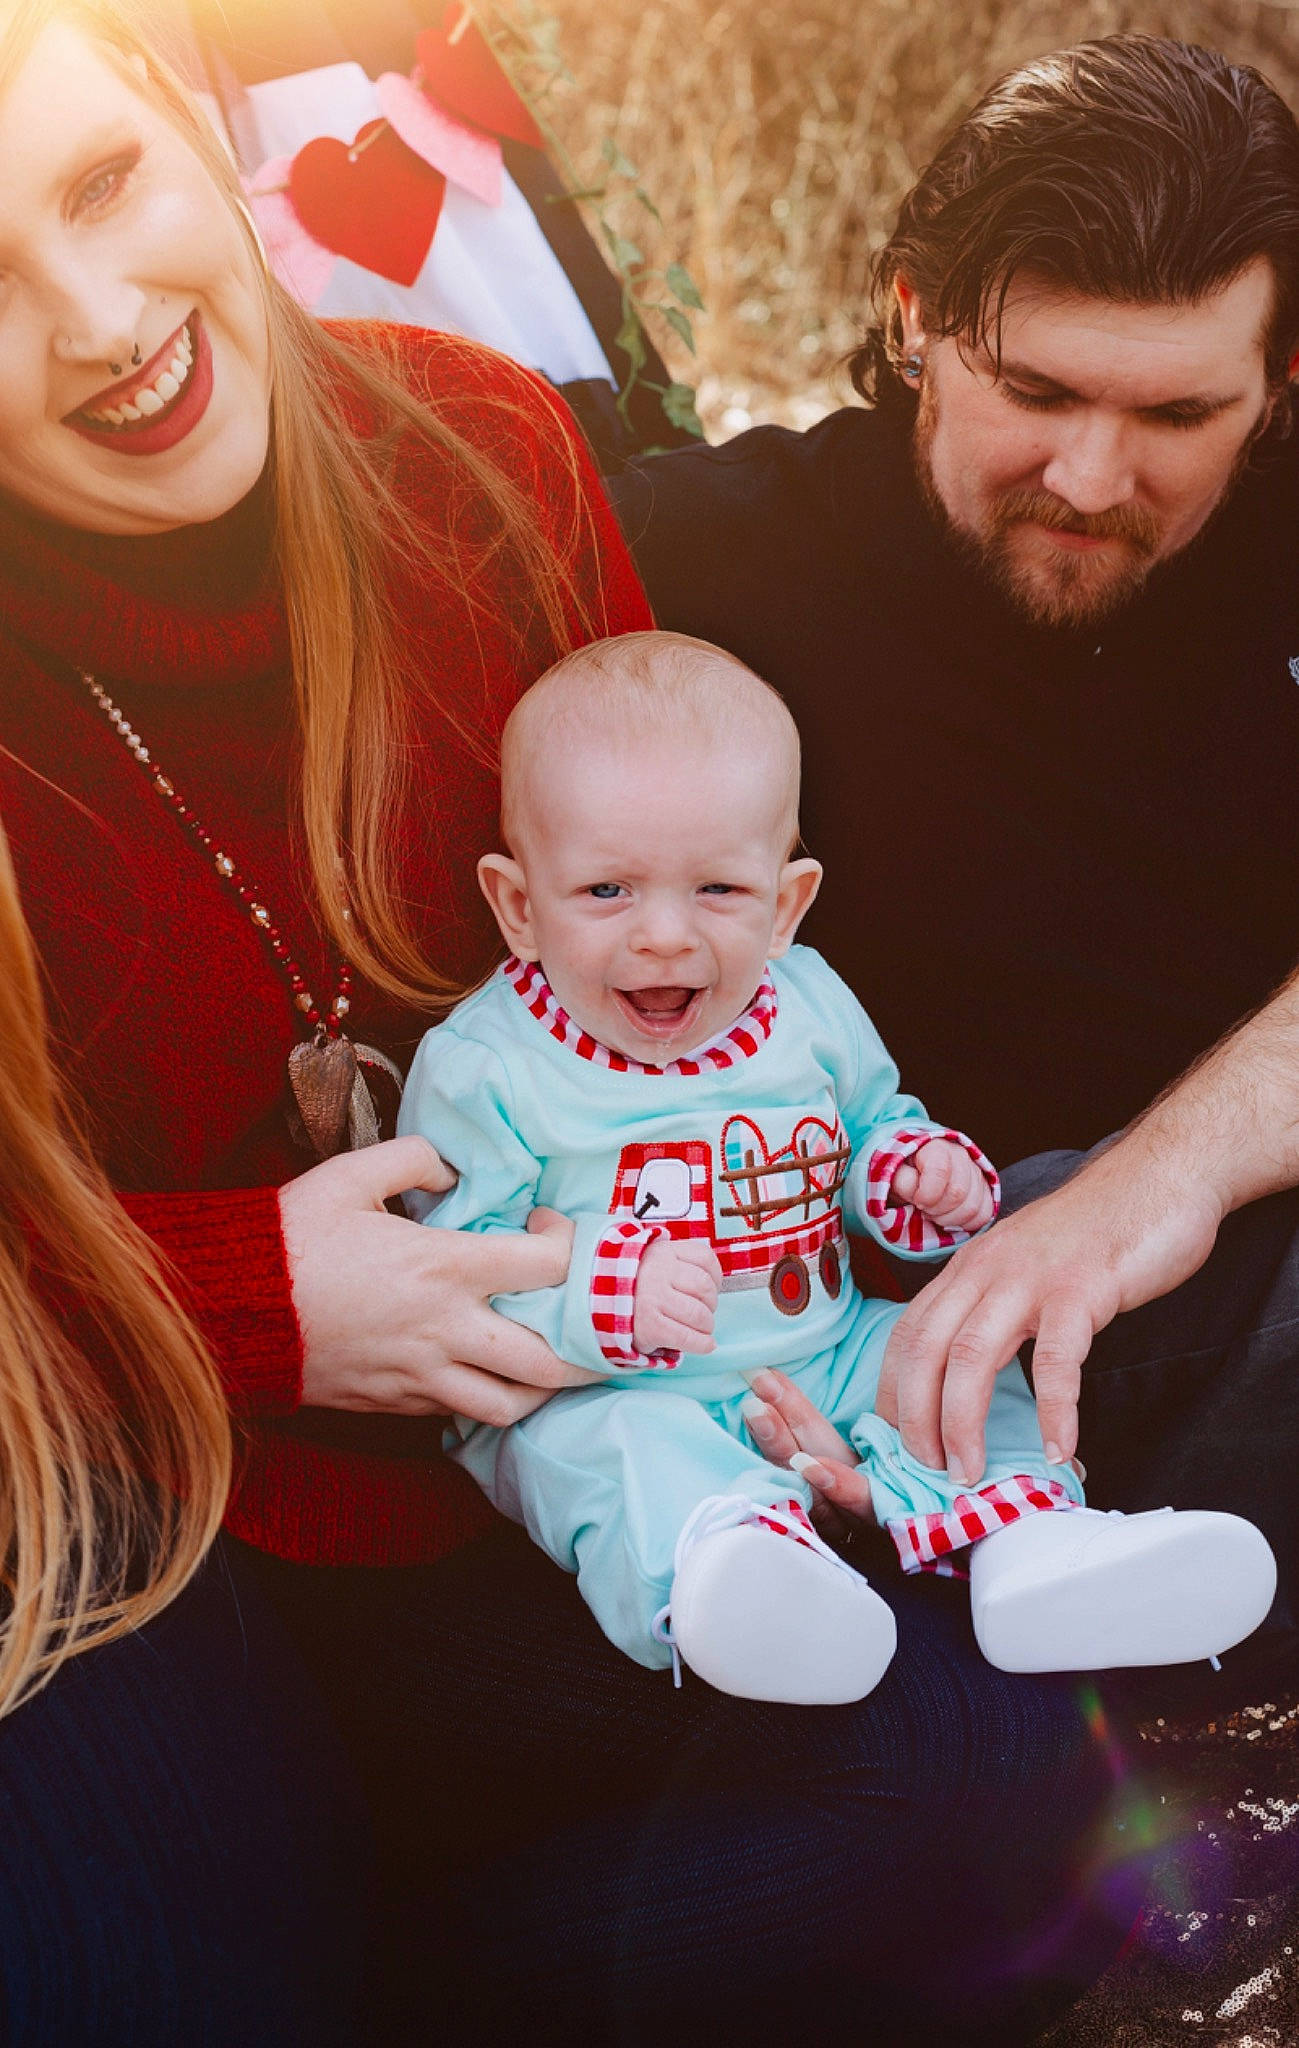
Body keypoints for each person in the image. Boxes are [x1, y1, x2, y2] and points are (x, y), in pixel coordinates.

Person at [0, 4, 1133, 2042]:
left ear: (186, 115)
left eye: (102, 183)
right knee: (132, 1979)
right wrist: (242, 1297)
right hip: (131, 1508)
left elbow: (676, 936)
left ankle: (391, 1962)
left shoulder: (474, 451)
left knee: (995, 1795)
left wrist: (831, 1239)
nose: (93, 320)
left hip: (551, 1445)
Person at [609, 33, 1299, 1675]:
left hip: (1216, 1260)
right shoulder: (682, 567)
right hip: (872, 1356)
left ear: (1275, 384)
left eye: (1173, 412)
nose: (1085, 476)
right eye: (1034, 389)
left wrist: (1163, 1177)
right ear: (910, 313)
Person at [399, 628, 1276, 1700]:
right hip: (603, 1382)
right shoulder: (486, 1066)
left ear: (788, 903)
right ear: (519, 905)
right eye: (607, 892)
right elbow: (448, 1277)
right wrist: (599, 1291)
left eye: (719, 889)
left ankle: (1035, 1548)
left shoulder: (808, 1002)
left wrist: (912, 1175)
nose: (666, 936)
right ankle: (737, 1583)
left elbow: (867, 1124)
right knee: (605, 1452)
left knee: (943, 1352)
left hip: (819, 1336)